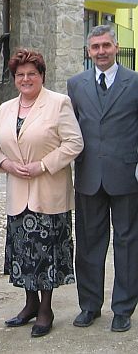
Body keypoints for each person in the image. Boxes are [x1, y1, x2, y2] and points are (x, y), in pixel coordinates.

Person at [0, 49, 83, 338]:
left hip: (48, 192)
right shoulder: (5, 108)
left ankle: (46, 308)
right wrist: (4, 163)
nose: (26, 79)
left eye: (32, 73)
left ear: (42, 75)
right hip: (18, 193)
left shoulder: (59, 103)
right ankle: (29, 304)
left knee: (47, 254)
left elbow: (74, 143)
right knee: (23, 254)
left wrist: (43, 165)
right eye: (20, 75)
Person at [67, 25, 138, 332]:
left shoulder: (134, 83)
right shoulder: (76, 84)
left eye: (105, 45)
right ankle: (89, 305)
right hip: (88, 176)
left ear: (116, 47)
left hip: (126, 177)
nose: (101, 51)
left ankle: (123, 308)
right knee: (88, 244)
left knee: (127, 244)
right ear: (88, 51)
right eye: (95, 47)